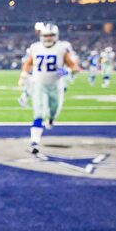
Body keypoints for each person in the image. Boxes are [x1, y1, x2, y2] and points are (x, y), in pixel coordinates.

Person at [20, 23, 80, 154]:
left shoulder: (62, 48)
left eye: (51, 36)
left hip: (56, 85)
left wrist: (66, 72)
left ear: (56, 36)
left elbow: (74, 67)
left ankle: (51, 118)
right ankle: (35, 142)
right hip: (39, 84)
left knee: (54, 110)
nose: (48, 38)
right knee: (38, 113)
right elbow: (28, 63)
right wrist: (24, 74)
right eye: (46, 36)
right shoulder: (35, 48)